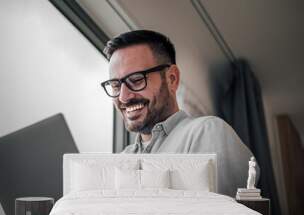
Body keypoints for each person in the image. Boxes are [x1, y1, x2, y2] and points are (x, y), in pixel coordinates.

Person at [101, 30, 257, 197]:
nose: (123, 97)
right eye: (116, 85)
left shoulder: (207, 132)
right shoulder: (120, 160)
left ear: (172, 79)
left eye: (137, 79)